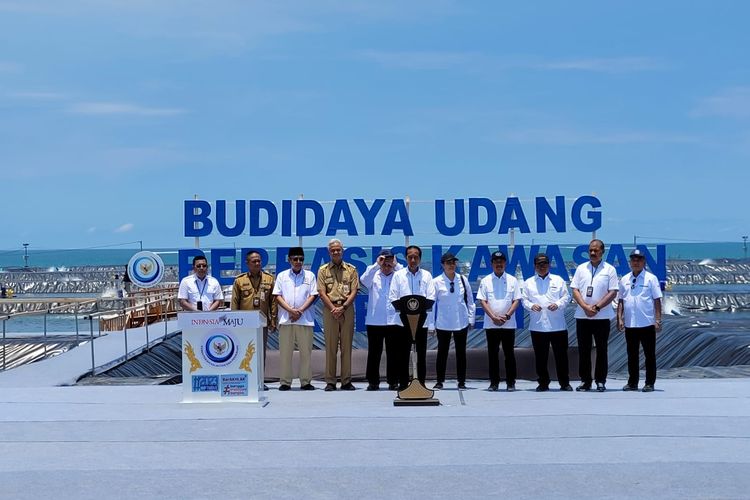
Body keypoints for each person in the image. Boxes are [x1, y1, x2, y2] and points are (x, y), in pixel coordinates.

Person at [571, 239, 619, 392]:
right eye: (591, 250)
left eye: (596, 250)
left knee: (601, 350)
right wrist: (585, 307)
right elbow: (575, 290)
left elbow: (613, 292)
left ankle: (600, 380)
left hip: (602, 317)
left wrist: (597, 307)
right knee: (583, 350)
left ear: (602, 252)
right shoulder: (580, 268)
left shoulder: (610, 269)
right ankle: (585, 381)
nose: (593, 253)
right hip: (583, 316)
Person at [522, 253, 573, 392]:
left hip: (557, 325)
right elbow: (524, 300)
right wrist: (531, 306)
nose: (542, 266)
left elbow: (566, 297)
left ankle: (564, 383)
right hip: (538, 326)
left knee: (561, 356)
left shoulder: (558, 280)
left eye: (544, 263)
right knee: (540, 357)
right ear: (534, 266)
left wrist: (557, 304)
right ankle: (543, 383)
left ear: (549, 265)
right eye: (539, 264)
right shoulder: (528, 282)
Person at [388, 245, 436, 387]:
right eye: (410, 257)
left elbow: (431, 297)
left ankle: (420, 384)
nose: (413, 260)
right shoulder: (398, 275)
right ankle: (403, 385)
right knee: (402, 355)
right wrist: (405, 310)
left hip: (421, 322)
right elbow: (393, 296)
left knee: (421, 355)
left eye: (416, 257)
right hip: (403, 322)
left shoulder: (427, 275)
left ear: (420, 258)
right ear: (406, 258)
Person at [617, 249, 663, 392]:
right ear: (630, 262)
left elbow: (657, 300)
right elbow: (621, 301)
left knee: (649, 355)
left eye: (639, 260)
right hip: (631, 324)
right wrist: (619, 318)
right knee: (632, 355)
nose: (636, 262)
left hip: (647, 323)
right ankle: (632, 382)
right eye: (633, 260)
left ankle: (649, 382)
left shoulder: (651, 278)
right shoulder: (624, 279)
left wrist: (658, 320)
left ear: (644, 262)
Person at [272, 247, 318, 391]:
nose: (298, 262)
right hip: (287, 319)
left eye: (301, 259)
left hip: (305, 319)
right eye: (295, 259)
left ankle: (305, 381)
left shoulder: (310, 276)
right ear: (289, 260)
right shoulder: (282, 276)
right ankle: (285, 382)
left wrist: (300, 311)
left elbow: (313, 295)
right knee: (285, 353)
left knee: (306, 353)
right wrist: (291, 311)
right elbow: (277, 295)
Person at [317, 239, 360, 392]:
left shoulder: (351, 269)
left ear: (342, 251)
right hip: (330, 309)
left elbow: (355, 290)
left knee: (347, 346)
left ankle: (346, 380)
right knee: (330, 346)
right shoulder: (323, 270)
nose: (336, 252)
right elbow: (321, 292)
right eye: (333, 250)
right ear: (329, 252)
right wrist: (333, 308)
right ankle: (330, 381)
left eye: (338, 250)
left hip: (346, 308)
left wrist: (343, 307)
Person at [231, 250, 277, 390]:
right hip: (244, 324)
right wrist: (234, 322)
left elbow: (273, 302)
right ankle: (245, 380)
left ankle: (259, 381)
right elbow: (235, 302)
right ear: (247, 263)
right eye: (254, 261)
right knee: (244, 352)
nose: (257, 263)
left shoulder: (269, 279)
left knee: (260, 352)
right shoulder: (239, 280)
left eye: (259, 261)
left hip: (261, 322)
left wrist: (273, 320)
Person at [428, 252, 475, 390]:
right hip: (444, 322)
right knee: (442, 352)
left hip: (461, 321)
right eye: (448, 263)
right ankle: (439, 381)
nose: (451, 265)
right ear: (443, 265)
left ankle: (461, 381)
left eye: (453, 262)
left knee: (461, 353)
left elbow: (470, 300)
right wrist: (431, 324)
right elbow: (431, 304)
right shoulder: (436, 282)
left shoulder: (462, 279)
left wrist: (471, 318)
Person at [477, 251, 521, 392]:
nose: (499, 264)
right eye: (496, 261)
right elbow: (482, 301)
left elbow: (516, 300)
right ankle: (494, 383)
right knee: (493, 354)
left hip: (508, 324)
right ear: (492, 264)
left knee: (509, 354)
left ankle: (510, 383)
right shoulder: (485, 281)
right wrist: (493, 317)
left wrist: (507, 316)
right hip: (491, 324)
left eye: (501, 261)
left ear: (505, 263)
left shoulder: (513, 280)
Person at [360, 249, 403, 391]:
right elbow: (363, 280)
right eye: (384, 260)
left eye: (389, 260)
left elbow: (404, 275)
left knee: (394, 352)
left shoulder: (398, 275)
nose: (386, 264)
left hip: (393, 320)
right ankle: (373, 382)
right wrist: (376, 265)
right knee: (374, 352)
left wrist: (395, 265)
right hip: (375, 320)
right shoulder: (373, 274)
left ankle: (393, 381)